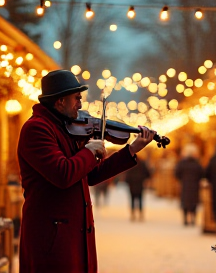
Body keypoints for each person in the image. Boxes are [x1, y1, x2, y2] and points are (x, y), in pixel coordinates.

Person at [17, 69, 156, 273]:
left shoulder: (65, 128)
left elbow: (90, 175)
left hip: (73, 235)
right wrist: (89, 152)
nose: (81, 104)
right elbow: (63, 174)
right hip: (51, 238)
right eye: (77, 98)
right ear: (60, 101)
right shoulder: (36, 129)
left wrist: (132, 150)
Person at [174, 143, 204, 226]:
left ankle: (185, 219)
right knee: (194, 202)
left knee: (185, 201)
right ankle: (193, 219)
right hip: (195, 185)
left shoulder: (182, 163)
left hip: (185, 184)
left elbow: (177, 173)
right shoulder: (197, 164)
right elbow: (202, 173)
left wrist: (181, 179)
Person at [124, 157, 151, 221]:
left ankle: (133, 214)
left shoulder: (130, 164)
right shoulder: (142, 164)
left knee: (132, 200)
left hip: (132, 185)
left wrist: (128, 181)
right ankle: (140, 214)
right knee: (140, 200)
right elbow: (148, 173)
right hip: (140, 184)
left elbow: (127, 175)